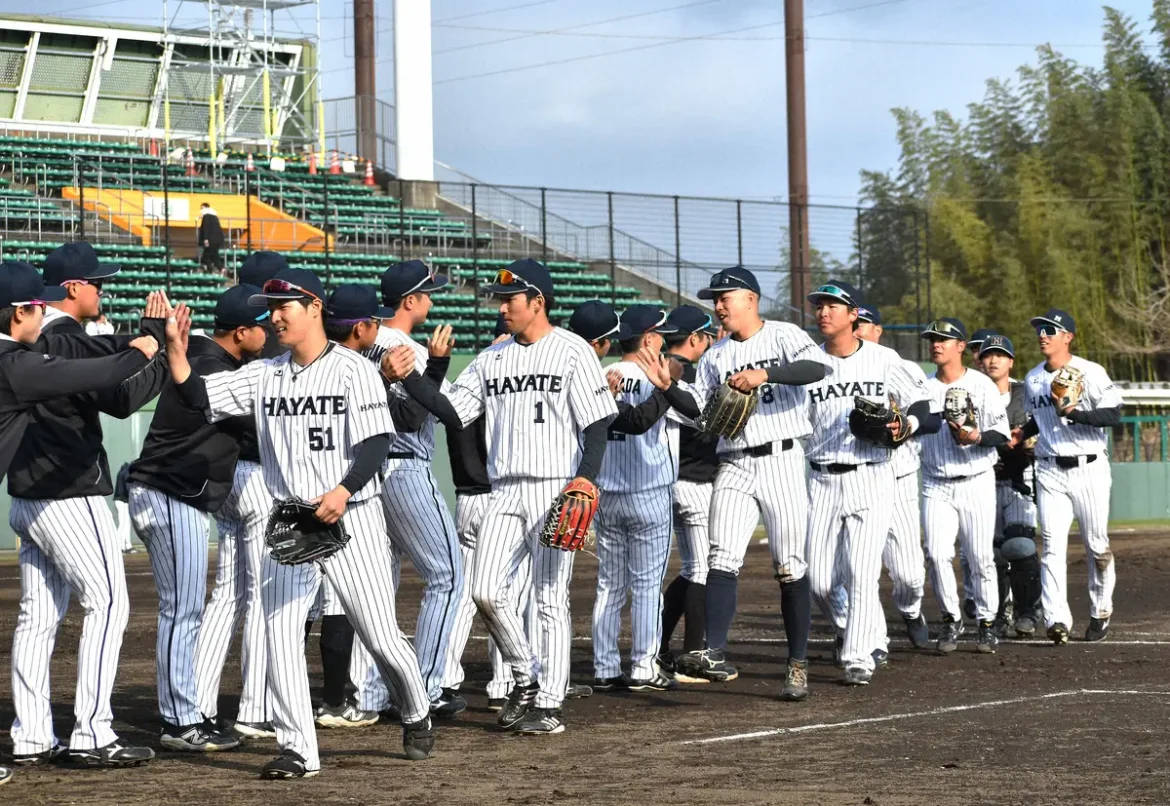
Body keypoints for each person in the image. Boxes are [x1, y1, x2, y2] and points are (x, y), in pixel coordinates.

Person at [162, 267, 434, 778]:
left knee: (378, 636)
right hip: (291, 519)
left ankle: (416, 708)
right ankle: (299, 750)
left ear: (314, 308)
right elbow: (200, 398)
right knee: (280, 633)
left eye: (285, 306)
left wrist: (344, 488)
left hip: (353, 517)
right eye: (270, 307)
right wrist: (177, 353)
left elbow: (376, 441)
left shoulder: (353, 369)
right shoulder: (265, 373)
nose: (275, 315)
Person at [389, 258, 618, 735]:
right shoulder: (493, 359)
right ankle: (525, 676)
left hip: (558, 487)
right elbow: (453, 413)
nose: (502, 306)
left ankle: (550, 703)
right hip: (504, 492)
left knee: (550, 597)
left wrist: (586, 478)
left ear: (538, 302)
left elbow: (597, 422)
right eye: (500, 298)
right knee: (485, 590)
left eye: (510, 298)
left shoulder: (573, 351)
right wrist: (413, 377)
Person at [9, 243, 168, 769]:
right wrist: (159, 350)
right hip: (68, 495)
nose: (103, 290)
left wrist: (136, 342)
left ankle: (31, 735)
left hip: (27, 499)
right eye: (97, 282)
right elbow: (120, 397)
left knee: (37, 618)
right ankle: (92, 733)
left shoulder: (46, 340)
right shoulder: (62, 337)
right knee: (108, 604)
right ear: (72, 288)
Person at [672, 267, 828, 701]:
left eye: (726, 297)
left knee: (789, 564)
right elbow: (699, 411)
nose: (719, 305)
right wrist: (667, 386)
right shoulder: (716, 355)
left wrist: (766, 374)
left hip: (781, 458)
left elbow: (818, 366)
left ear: (751, 299)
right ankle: (714, 652)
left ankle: (797, 662)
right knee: (720, 555)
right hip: (734, 462)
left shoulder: (782, 334)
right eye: (716, 298)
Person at [126, 285, 271, 752]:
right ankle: (179, 721)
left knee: (183, 609)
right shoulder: (209, 366)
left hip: (169, 494)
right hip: (171, 494)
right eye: (263, 327)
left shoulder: (211, 359)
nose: (269, 333)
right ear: (243, 332)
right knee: (180, 610)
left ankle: (188, 714)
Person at [803, 281, 932, 686]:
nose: (823, 311)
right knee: (819, 581)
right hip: (821, 478)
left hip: (871, 474)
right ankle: (856, 627)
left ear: (853, 314)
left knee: (862, 571)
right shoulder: (808, 363)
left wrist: (904, 426)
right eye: (820, 305)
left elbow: (923, 405)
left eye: (833, 305)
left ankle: (859, 655)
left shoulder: (882, 359)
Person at [360, 260, 465, 717]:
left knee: (377, 591)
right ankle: (425, 689)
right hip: (404, 468)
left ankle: (372, 693)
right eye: (427, 293)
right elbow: (427, 412)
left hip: (363, 473)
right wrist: (438, 364)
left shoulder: (362, 344)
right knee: (448, 577)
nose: (431, 299)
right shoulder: (407, 349)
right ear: (410, 301)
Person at [193, 250, 286, 739]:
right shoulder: (272, 347)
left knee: (226, 596)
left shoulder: (221, 349)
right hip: (258, 481)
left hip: (228, 478)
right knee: (261, 596)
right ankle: (254, 708)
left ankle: (200, 702)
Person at [589, 304, 681, 692]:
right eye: (661, 334)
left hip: (607, 494)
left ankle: (605, 667)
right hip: (649, 492)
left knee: (609, 584)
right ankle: (644, 667)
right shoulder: (656, 376)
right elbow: (700, 418)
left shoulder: (597, 375)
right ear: (648, 339)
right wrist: (669, 385)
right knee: (646, 586)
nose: (666, 341)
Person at [1015, 308, 1121, 645]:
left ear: (1068, 337)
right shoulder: (1033, 379)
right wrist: (1022, 432)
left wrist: (1075, 411)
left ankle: (1101, 609)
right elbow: (1041, 418)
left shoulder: (1090, 371)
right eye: (1040, 330)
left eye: (1050, 329)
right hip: (1049, 468)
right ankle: (1057, 618)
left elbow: (1114, 414)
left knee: (1097, 546)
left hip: (1088, 468)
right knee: (1052, 546)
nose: (1042, 335)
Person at [918, 318, 1010, 655]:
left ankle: (986, 621)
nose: (936, 344)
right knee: (937, 554)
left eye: (944, 339)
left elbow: (1000, 434)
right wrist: (939, 417)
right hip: (935, 482)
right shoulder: (923, 386)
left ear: (960, 346)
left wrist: (977, 436)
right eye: (933, 339)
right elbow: (917, 426)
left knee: (980, 555)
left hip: (975, 480)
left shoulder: (982, 384)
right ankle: (950, 616)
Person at [852, 306, 932, 657]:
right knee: (858, 568)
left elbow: (933, 419)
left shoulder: (896, 365)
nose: (857, 330)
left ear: (878, 330)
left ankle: (911, 609)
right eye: (853, 324)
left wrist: (908, 423)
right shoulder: (838, 366)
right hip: (857, 475)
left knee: (910, 574)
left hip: (898, 478)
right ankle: (870, 639)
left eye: (863, 325)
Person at [653, 306, 719, 683]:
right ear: (696, 338)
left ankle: (659, 646)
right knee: (701, 570)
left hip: (668, 481)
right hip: (696, 481)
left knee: (692, 568)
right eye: (706, 336)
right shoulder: (691, 375)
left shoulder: (654, 368)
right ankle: (692, 654)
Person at [979, 334, 1043, 637]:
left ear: (1011, 362)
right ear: (980, 361)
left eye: (1000, 355)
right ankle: (999, 611)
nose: (994, 360)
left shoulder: (1025, 394)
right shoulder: (972, 393)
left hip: (1020, 480)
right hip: (983, 482)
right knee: (992, 554)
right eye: (988, 355)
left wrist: (1021, 452)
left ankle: (1028, 610)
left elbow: (1038, 433)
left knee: (1019, 546)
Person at [112, 463, 136, 553]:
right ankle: (120, 546)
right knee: (124, 524)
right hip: (123, 501)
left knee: (125, 524)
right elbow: (128, 488)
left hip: (120, 501)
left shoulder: (121, 472)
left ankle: (127, 545)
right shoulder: (126, 473)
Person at [198, 203, 225, 272]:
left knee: (210, 256)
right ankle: (214, 269)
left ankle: (220, 268)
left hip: (211, 240)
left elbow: (206, 228)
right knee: (210, 255)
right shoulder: (215, 217)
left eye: (202, 208)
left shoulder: (206, 216)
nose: (201, 210)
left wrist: (206, 239)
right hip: (217, 240)